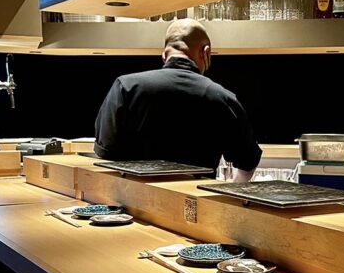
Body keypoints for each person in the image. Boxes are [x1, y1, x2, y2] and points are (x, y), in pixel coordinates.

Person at [94, 19, 261, 182]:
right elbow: (248, 164)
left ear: (164, 55)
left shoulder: (125, 87)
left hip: (134, 199)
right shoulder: (223, 98)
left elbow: (105, 154)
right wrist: (227, 193)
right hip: (194, 199)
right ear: (206, 52)